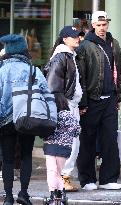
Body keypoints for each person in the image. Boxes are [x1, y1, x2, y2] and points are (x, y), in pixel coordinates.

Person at [0, 34, 51, 205]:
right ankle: (24, 193)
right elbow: (46, 93)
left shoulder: (1, 70)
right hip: (27, 119)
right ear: (23, 50)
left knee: (7, 159)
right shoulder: (33, 70)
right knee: (26, 156)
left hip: (5, 122)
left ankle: (8, 197)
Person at [76, 11, 121, 190]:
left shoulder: (114, 43)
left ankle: (108, 179)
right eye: (99, 25)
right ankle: (87, 179)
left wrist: (119, 96)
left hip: (110, 98)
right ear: (93, 25)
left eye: (105, 24)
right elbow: (82, 76)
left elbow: (119, 72)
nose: (103, 28)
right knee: (87, 139)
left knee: (110, 138)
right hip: (92, 98)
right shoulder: (85, 45)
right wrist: (83, 102)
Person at [43, 25, 82, 202]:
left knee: (70, 146)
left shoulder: (70, 56)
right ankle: (58, 186)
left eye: (79, 36)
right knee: (63, 148)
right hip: (64, 107)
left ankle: (60, 185)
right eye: (74, 36)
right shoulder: (61, 56)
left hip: (70, 105)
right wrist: (64, 110)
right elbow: (53, 86)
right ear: (64, 39)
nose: (78, 38)